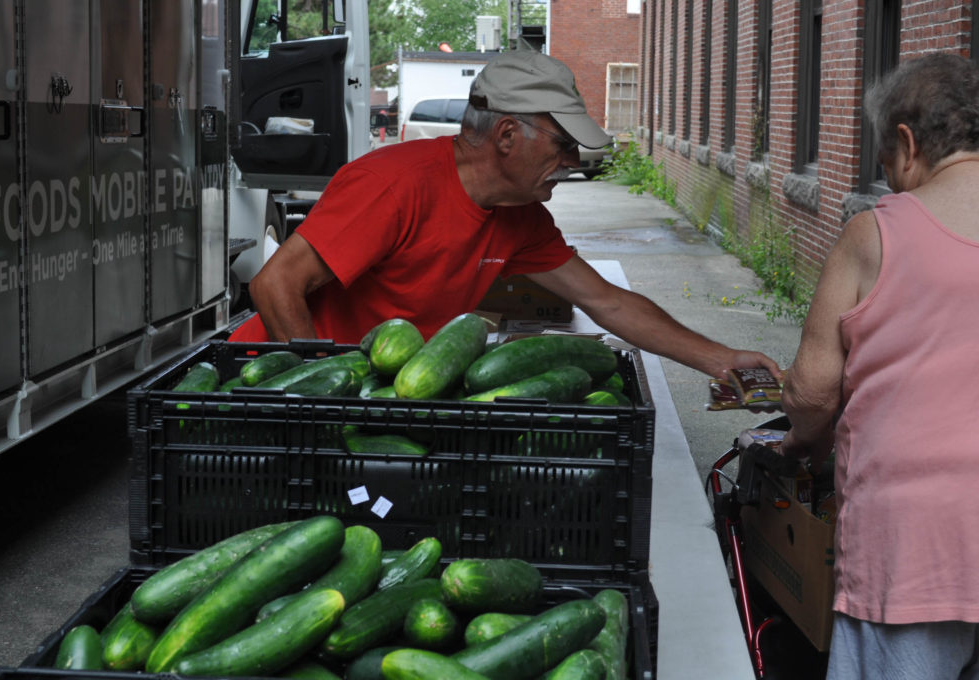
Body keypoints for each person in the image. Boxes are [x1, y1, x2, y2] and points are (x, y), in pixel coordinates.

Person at [234, 50, 779, 380]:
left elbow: (607, 302)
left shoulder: (519, 217)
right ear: (508, 135)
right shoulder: (393, 185)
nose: (570, 163)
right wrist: (317, 395)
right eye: (564, 146)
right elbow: (275, 285)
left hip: (381, 388)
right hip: (272, 377)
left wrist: (720, 357)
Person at [780, 52, 979, 679]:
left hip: (915, 548)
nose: (891, 180)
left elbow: (811, 395)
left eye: (888, 164)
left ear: (907, 142)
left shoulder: (874, 234)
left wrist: (802, 446)